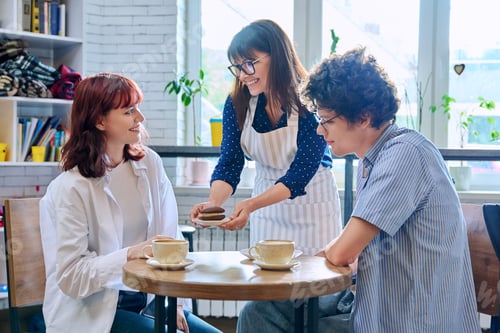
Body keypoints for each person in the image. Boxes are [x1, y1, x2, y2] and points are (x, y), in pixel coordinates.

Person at [238, 46, 482, 332]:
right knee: (262, 311)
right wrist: (311, 262)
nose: (320, 130)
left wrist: (320, 259)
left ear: (364, 117)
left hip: (409, 319)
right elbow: (345, 245)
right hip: (375, 300)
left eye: (327, 120)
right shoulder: (374, 159)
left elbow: (342, 252)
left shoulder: (405, 155)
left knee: (271, 316)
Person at [39, 72, 221, 333]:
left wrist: (177, 304)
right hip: (96, 312)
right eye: (129, 111)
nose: (141, 118)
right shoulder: (69, 188)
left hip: (152, 302)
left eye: (138, 108)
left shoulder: (149, 164)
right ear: (99, 120)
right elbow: (71, 277)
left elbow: (170, 235)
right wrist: (130, 254)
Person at [189, 19, 343, 257]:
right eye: (237, 67)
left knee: (314, 286)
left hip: (313, 208)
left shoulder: (310, 100)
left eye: (249, 64)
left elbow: (300, 173)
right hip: (266, 213)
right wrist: (213, 205)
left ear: (278, 57)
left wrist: (250, 205)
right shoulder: (237, 103)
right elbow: (230, 162)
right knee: (267, 284)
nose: (242, 75)